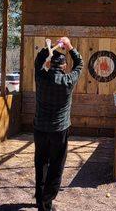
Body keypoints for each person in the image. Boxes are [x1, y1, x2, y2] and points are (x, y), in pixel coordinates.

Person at [33, 37, 83, 211]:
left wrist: (50, 48)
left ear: (50, 64)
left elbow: (38, 60)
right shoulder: (68, 81)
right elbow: (80, 64)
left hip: (40, 128)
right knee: (56, 165)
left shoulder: (40, 76)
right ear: (63, 67)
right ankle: (47, 202)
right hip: (59, 130)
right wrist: (69, 47)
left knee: (41, 163)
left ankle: (40, 198)